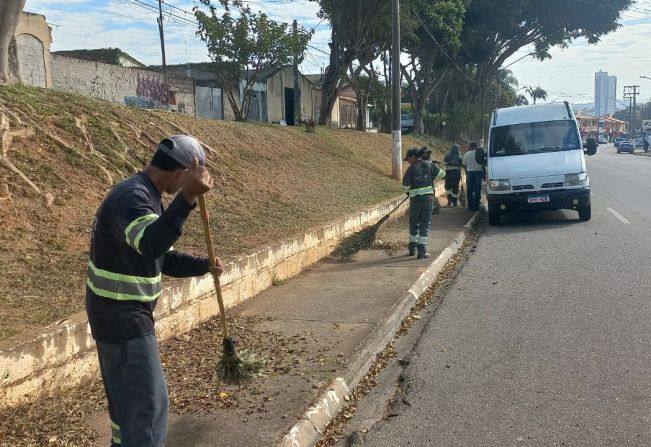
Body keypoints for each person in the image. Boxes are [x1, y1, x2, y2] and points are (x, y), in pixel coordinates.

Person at [86, 135, 224, 447]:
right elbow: (151, 245)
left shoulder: (145, 193)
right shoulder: (131, 198)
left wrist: (204, 265)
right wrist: (186, 199)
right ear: (182, 173)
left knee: (128, 412)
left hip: (117, 317)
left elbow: (162, 255)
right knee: (149, 409)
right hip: (124, 320)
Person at [403, 148, 445, 259]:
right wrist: (436, 169)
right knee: (424, 226)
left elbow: (405, 186)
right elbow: (442, 174)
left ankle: (412, 248)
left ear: (414, 156)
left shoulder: (411, 169)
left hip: (415, 201)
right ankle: (422, 252)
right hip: (428, 201)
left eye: (409, 159)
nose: (408, 161)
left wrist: (409, 192)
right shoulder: (430, 165)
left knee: (414, 224)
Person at [463, 142, 484, 212]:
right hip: (478, 172)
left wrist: (466, 172)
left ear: (470, 147)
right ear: (476, 147)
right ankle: (476, 206)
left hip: (469, 173)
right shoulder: (479, 153)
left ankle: (470, 206)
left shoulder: (466, 154)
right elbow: (483, 163)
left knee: (469, 189)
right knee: (477, 189)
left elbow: (464, 165)